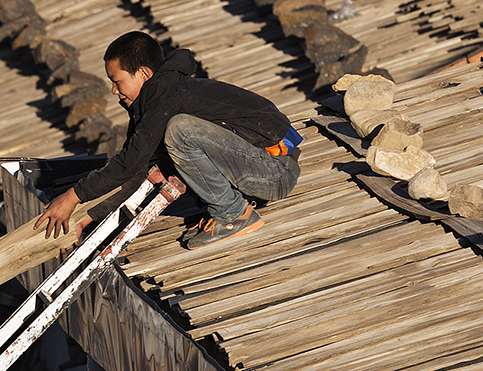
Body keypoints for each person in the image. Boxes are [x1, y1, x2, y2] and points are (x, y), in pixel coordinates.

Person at [36, 31, 300, 249]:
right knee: (171, 138)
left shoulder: (165, 96)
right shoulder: (150, 102)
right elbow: (136, 170)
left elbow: (129, 163)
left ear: (143, 73)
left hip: (275, 172)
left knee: (180, 130)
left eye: (117, 81)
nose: (114, 91)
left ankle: (233, 215)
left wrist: (73, 196)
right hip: (256, 170)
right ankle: (226, 208)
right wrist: (88, 218)